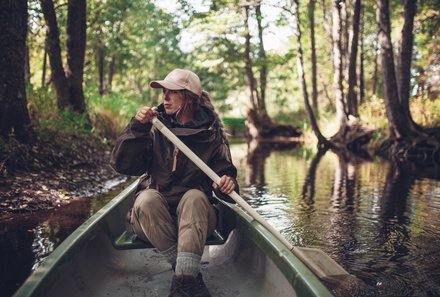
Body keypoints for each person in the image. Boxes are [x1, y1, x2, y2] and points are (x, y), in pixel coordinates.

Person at [110, 68, 238, 297]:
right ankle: (188, 277)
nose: (164, 97)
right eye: (163, 92)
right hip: (153, 218)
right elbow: (123, 165)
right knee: (146, 199)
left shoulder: (212, 134)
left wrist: (228, 183)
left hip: (196, 219)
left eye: (172, 92)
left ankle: (182, 280)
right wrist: (138, 128)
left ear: (188, 98)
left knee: (195, 197)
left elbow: (226, 185)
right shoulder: (153, 127)